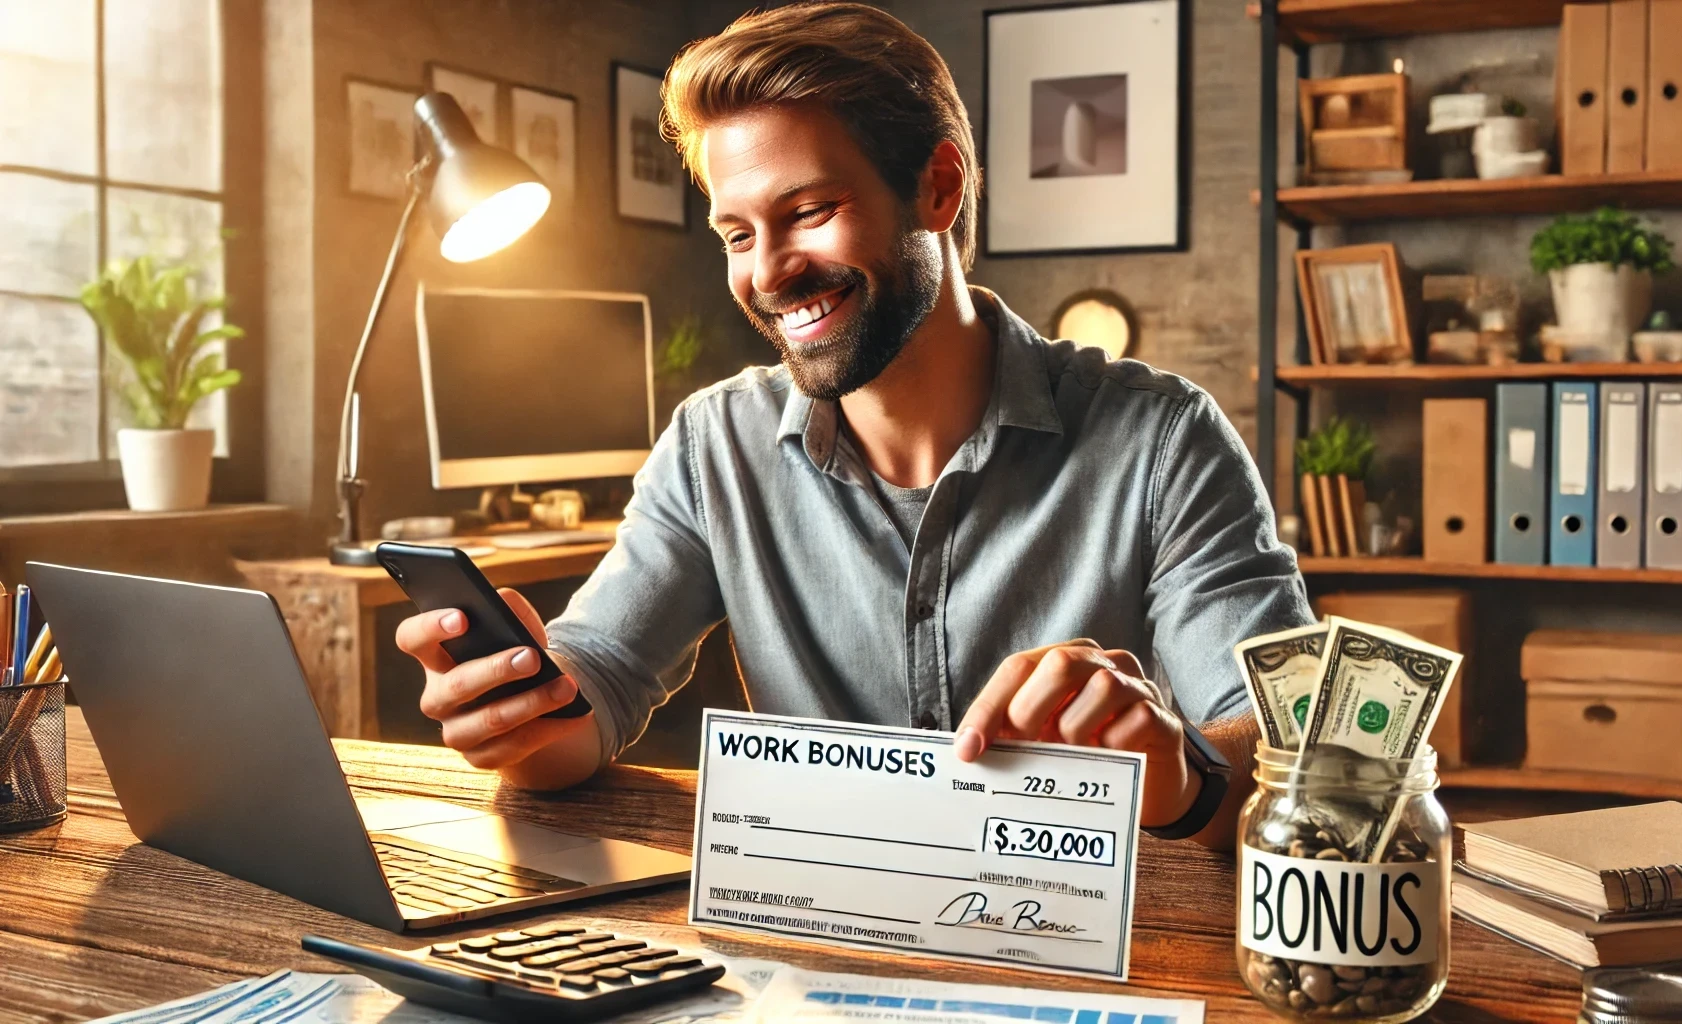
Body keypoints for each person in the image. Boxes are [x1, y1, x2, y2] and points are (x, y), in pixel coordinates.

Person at [396, 1, 1311, 847]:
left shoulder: (1162, 442)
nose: (768, 272)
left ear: (939, 188)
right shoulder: (716, 445)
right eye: (738, 235)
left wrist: (1177, 773)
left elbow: (1298, 756)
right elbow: (597, 678)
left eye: (808, 212)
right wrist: (516, 713)